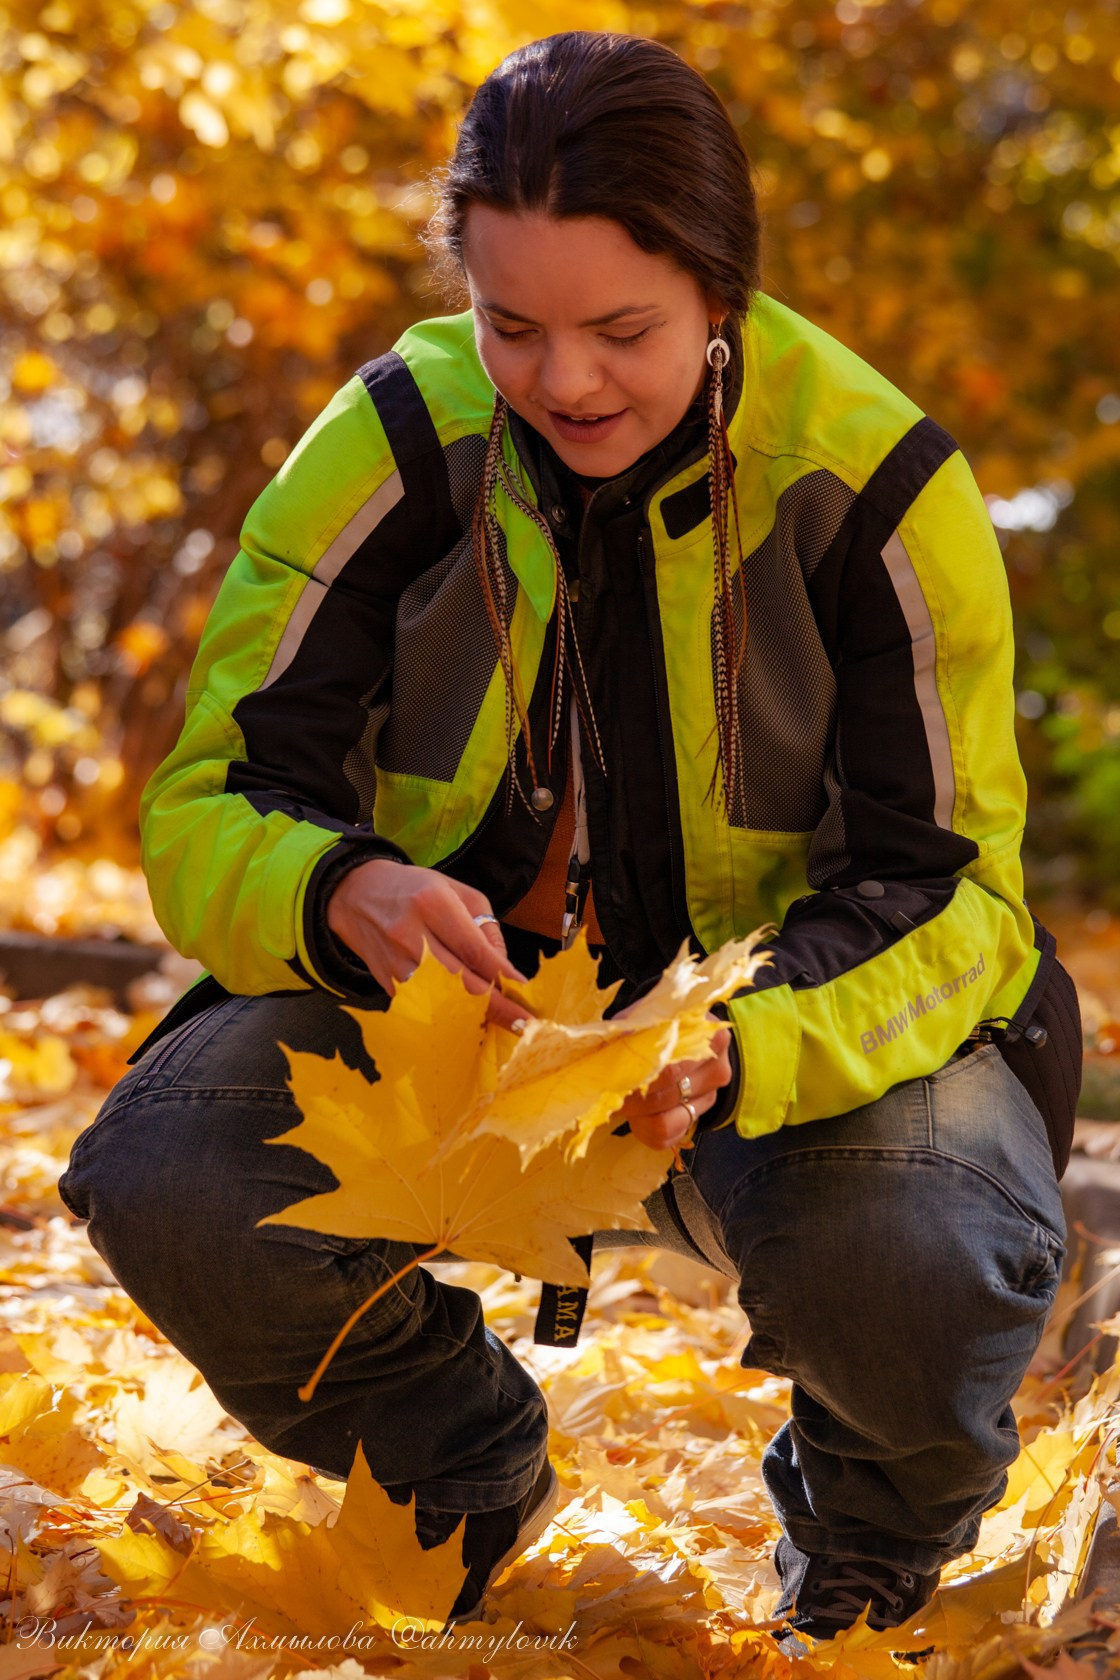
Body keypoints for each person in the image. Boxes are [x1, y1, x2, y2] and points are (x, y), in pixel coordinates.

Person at [58, 31, 1068, 1651]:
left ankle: (867, 1545)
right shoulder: (393, 442)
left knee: (916, 1257)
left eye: (623, 330)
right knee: (163, 1173)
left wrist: (745, 1040)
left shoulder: (872, 488)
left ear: (721, 294)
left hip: (795, 1054)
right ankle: (453, 1477)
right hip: (464, 1039)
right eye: (510, 325)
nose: (567, 381)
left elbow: (953, 897)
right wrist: (342, 890)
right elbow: (209, 799)